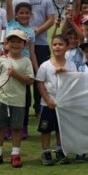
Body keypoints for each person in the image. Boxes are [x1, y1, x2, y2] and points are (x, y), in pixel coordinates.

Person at [8, 0, 56, 139]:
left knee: (40, 80)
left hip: (39, 45)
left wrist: (36, 31)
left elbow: (51, 20)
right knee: (21, 83)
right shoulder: (16, 0)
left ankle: (40, 110)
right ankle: (19, 121)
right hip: (19, 49)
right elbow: (10, 20)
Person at [0, 29, 36, 168]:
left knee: (17, 128)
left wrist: (16, 74)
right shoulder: (2, 59)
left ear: (24, 45)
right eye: (12, 41)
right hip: (1, 98)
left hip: (18, 100)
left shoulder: (26, 62)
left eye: (19, 41)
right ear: (7, 43)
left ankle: (15, 154)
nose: (15, 44)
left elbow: (30, 81)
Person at [36, 34, 76, 166]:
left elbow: (74, 82)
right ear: (51, 47)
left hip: (63, 105)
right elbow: (40, 83)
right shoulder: (45, 66)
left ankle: (59, 150)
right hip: (48, 104)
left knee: (60, 129)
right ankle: (46, 151)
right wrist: (47, 100)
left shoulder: (71, 65)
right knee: (46, 129)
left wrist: (65, 74)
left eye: (60, 44)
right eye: (54, 44)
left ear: (67, 47)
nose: (57, 47)